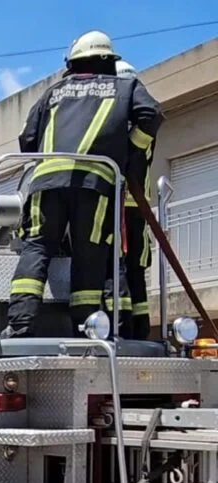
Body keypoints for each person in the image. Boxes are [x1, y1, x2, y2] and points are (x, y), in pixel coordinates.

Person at [3, 30, 163, 338]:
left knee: (36, 247)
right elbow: (151, 116)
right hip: (95, 183)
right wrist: (129, 151)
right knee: (90, 253)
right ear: (107, 61)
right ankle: (87, 329)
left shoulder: (52, 93)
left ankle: (20, 324)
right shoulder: (125, 86)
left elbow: (27, 140)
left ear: (73, 63)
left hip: (47, 183)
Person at [115, 58, 156, 339]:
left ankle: (122, 328)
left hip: (116, 209)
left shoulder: (115, 120)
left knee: (116, 271)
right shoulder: (145, 122)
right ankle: (139, 333)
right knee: (136, 274)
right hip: (138, 208)